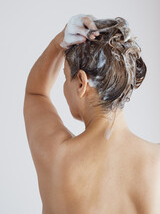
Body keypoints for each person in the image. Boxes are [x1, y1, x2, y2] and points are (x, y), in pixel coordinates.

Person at [23, 14, 160, 214]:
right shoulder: (156, 163)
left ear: (81, 82)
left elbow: (35, 93)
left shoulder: (56, 156)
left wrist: (58, 42)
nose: (63, 85)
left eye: (64, 77)